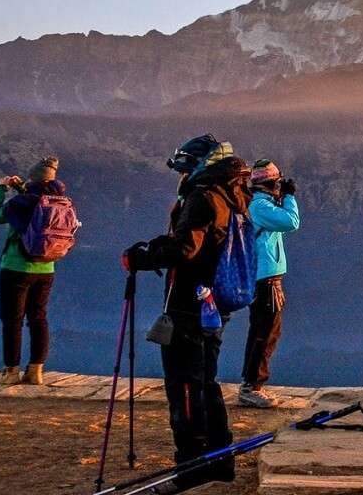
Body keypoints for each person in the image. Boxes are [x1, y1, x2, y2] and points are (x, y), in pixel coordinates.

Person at [121, 135, 250, 489]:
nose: (182, 174)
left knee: (185, 387)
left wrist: (143, 258)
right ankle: (221, 462)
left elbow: (187, 249)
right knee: (205, 382)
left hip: (189, 306)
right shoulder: (232, 194)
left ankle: (190, 467)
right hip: (215, 302)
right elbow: (200, 243)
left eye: (186, 167)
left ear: (200, 166)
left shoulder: (202, 196)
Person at [0, 156, 67, 385]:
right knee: (38, 317)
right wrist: (20, 187)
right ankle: (36, 371)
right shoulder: (58, 200)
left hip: (16, 267)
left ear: (32, 179)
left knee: (12, 319)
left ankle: (11, 371)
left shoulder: (21, 203)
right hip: (47, 268)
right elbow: (35, 197)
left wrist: (1, 189)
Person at [237, 160, 300, 408]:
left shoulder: (260, 203)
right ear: (271, 182)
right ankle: (252, 386)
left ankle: (252, 383)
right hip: (265, 278)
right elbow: (291, 222)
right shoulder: (260, 205)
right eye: (278, 182)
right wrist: (290, 197)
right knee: (266, 332)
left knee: (264, 330)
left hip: (265, 276)